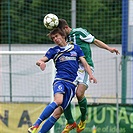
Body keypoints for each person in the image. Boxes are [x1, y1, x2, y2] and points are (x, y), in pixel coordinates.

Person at [28, 28, 97, 133]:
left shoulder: (76, 48)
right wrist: (40, 63)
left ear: (63, 36)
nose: (55, 39)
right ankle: (35, 125)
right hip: (60, 80)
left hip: (72, 85)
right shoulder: (54, 51)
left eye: (56, 36)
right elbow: (40, 60)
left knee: (57, 113)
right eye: (53, 38)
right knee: (58, 100)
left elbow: (85, 63)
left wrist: (91, 75)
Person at [57, 19, 120, 133]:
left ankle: (83, 119)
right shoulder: (64, 39)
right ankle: (70, 122)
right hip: (73, 68)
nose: (60, 35)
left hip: (86, 67)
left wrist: (109, 48)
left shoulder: (80, 32)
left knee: (79, 93)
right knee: (64, 95)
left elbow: (95, 41)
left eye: (62, 32)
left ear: (66, 28)